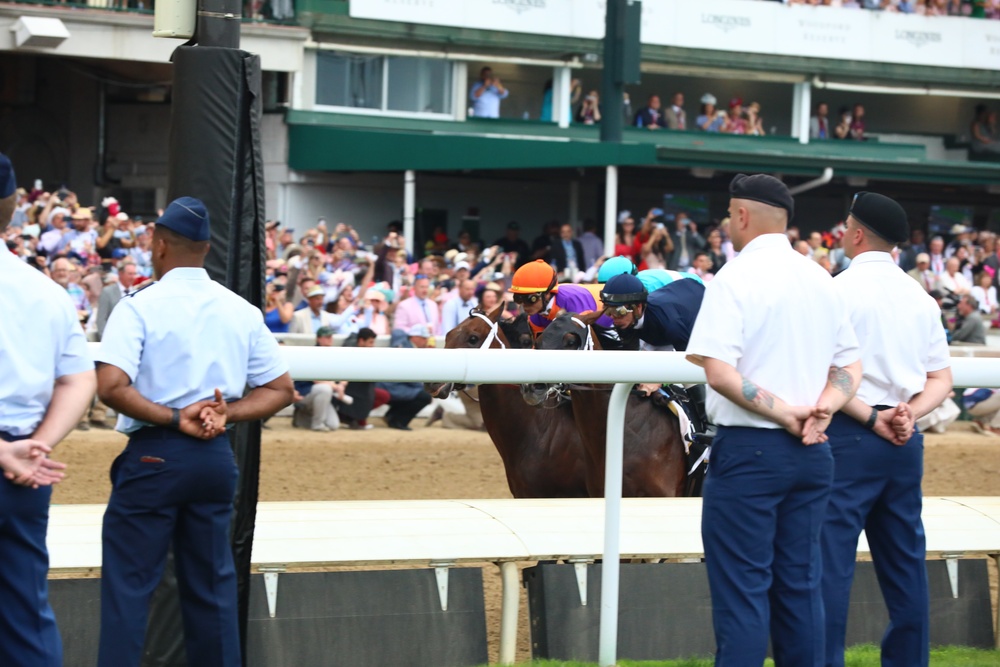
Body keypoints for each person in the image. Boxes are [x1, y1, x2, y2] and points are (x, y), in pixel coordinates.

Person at [95, 196, 294, 667]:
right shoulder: (240, 309)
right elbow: (282, 389)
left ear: (159, 245)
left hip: (154, 454)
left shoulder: (139, 305)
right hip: (214, 456)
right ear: (206, 249)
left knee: (128, 589)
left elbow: (110, 386)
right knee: (213, 591)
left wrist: (171, 415)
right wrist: (228, 414)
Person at [685, 173, 862, 666]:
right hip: (813, 450)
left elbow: (718, 373)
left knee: (743, 593)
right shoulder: (820, 277)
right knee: (801, 589)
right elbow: (850, 366)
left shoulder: (734, 277)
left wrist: (786, 412)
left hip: (751, 453)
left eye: (728, 215)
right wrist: (823, 406)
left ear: (741, 216)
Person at [821, 191, 953, 667]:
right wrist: (909, 414)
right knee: (905, 568)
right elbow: (942, 379)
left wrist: (874, 417)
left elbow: (825, 374)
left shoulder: (836, 290)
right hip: (904, 439)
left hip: (850, 435)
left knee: (830, 567)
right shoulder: (921, 298)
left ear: (856, 234)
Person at [0, 152, 96, 667]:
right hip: (27, 463)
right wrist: (38, 445)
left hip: (17, 457)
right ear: (14, 210)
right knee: (25, 617)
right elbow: (79, 377)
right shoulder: (47, 290)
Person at [508, 259, 611, 335]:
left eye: (530, 299)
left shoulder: (572, 302)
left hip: (609, 320)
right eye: (519, 298)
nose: (525, 306)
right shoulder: (535, 316)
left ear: (547, 294)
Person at [378, 326, 435, 430]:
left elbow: (397, 332)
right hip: (391, 386)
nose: (426, 341)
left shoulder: (404, 344)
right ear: (414, 337)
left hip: (392, 385)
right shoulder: (406, 348)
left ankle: (392, 416)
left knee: (419, 394)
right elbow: (409, 376)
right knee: (423, 396)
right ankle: (398, 421)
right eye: (423, 338)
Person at [292, 326, 347, 432]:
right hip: (304, 392)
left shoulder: (333, 354)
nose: (330, 339)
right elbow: (315, 379)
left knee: (333, 425)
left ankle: (301, 417)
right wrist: (336, 387)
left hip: (323, 395)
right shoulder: (311, 353)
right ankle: (317, 424)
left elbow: (345, 370)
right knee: (324, 389)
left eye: (330, 336)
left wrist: (342, 385)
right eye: (326, 337)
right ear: (318, 338)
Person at [96, 260, 140, 340]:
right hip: (112, 339)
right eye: (130, 274)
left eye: (134, 274)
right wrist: (105, 340)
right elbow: (101, 320)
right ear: (120, 274)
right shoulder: (107, 292)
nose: (133, 277)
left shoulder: (137, 293)